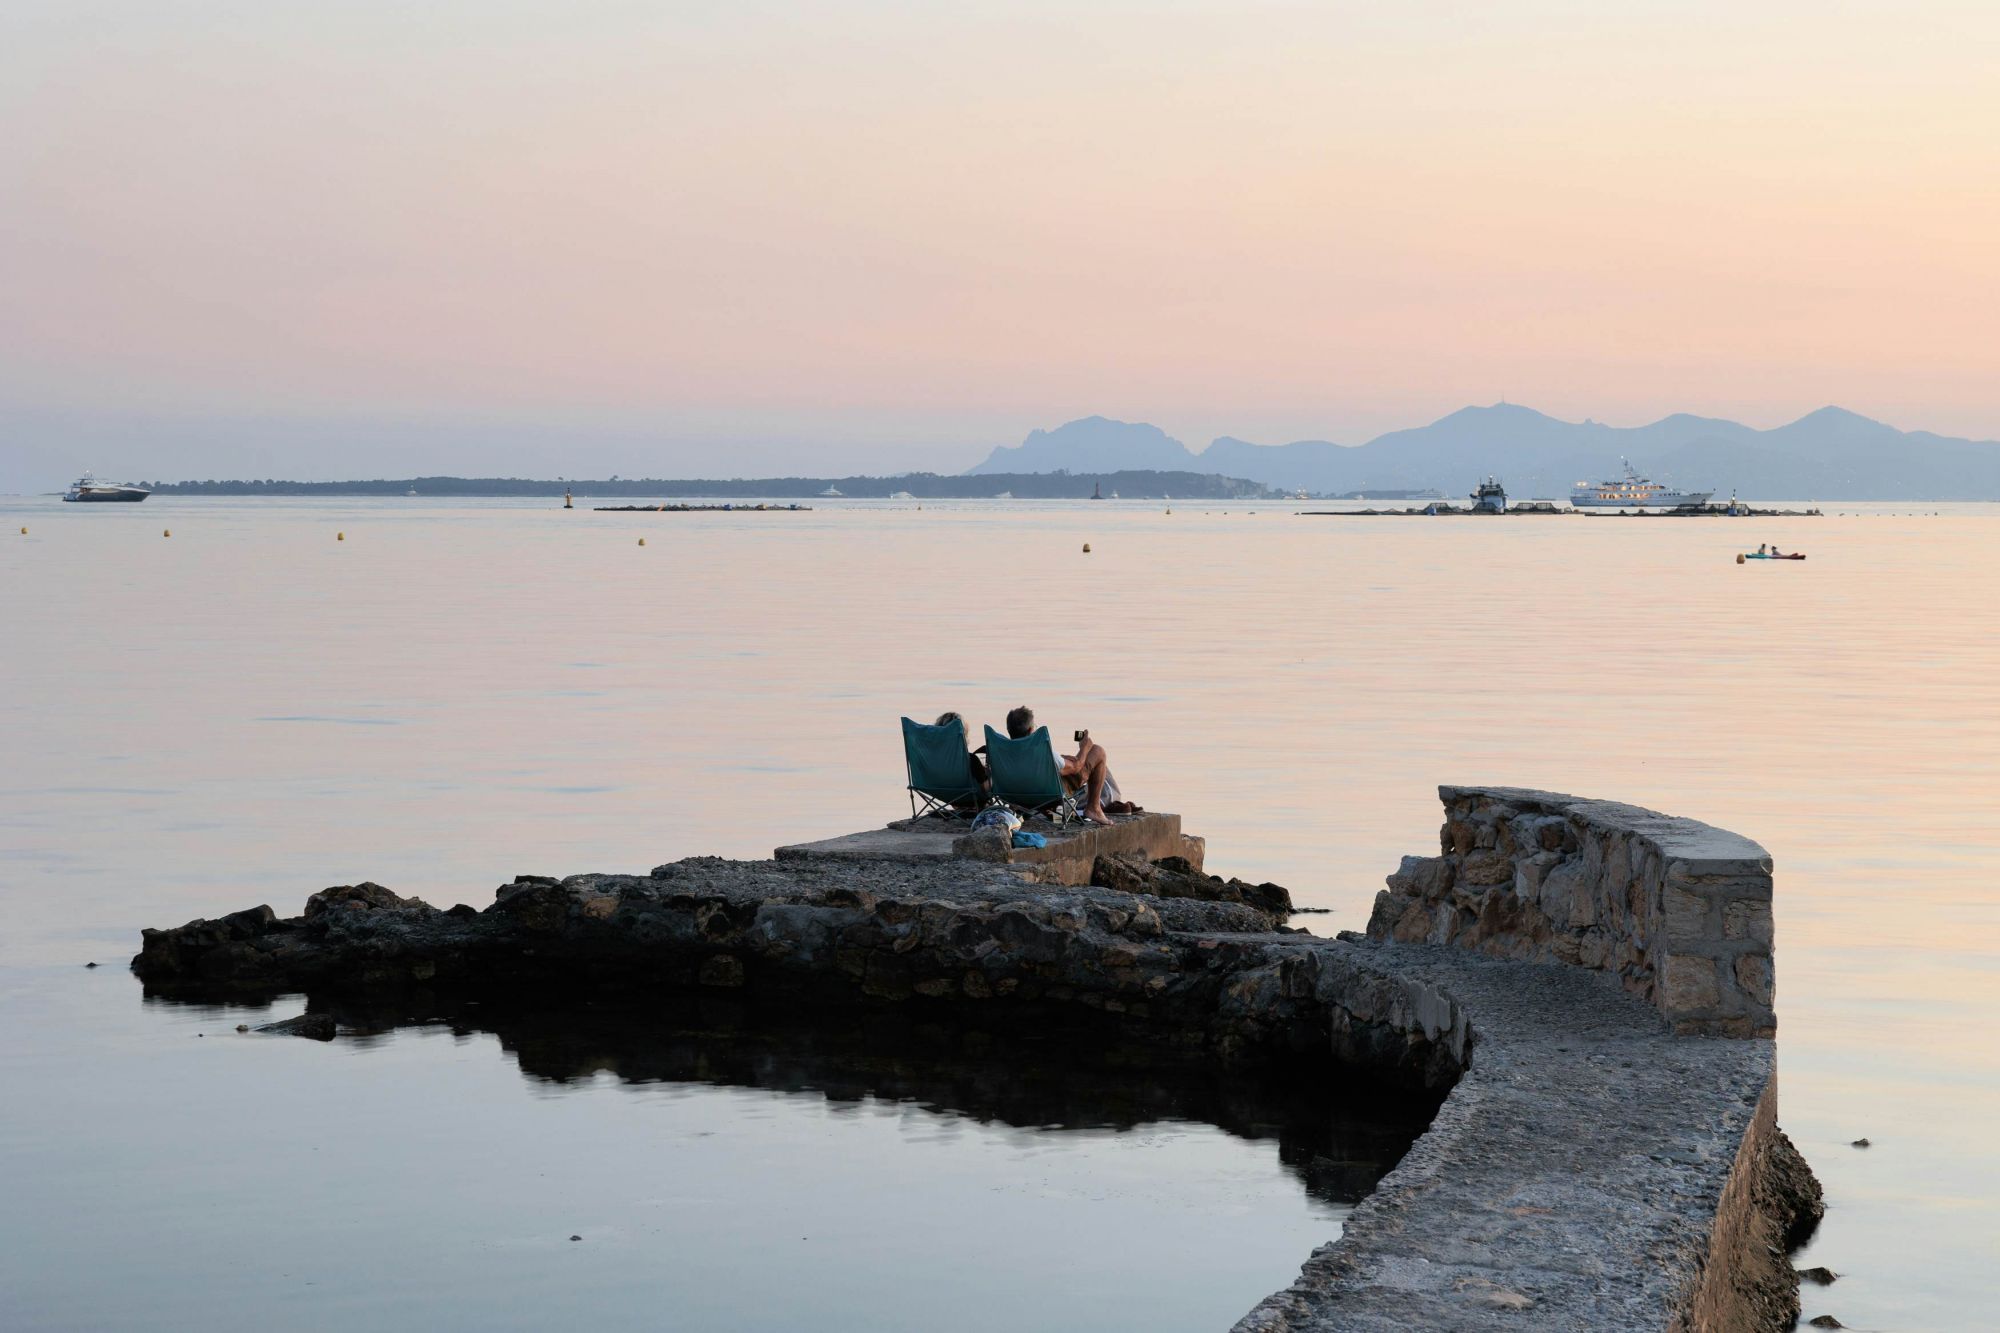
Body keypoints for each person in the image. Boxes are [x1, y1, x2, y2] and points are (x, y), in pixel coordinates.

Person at [1004, 705, 1128, 825]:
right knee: (1097, 751)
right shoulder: (1042, 752)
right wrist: (1084, 747)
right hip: (1049, 796)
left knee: (1067, 761)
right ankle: (1093, 808)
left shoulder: (1003, 754)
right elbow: (1076, 767)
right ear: (1031, 730)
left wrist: (1062, 758)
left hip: (1018, 796)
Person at [934, 711, 988, 810]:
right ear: (963, 735)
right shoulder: (970, 760)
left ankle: (959, 807)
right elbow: (985, 788)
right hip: (971, 800)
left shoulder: (932, 761)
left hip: (945, 796)